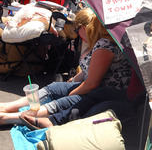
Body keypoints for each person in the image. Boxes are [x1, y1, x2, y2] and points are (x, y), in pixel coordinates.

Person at [0, 8, 132, 128]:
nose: (75, 32)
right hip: (99, 87)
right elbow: (89, 73)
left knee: (67, 99)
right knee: (54, 88)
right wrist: (74, 80)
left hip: (105, 89)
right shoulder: (104, 41)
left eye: (76, 29)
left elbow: (92, 84)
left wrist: (71, 92)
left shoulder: (105, 45)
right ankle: (8, 107)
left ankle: (9, 117)